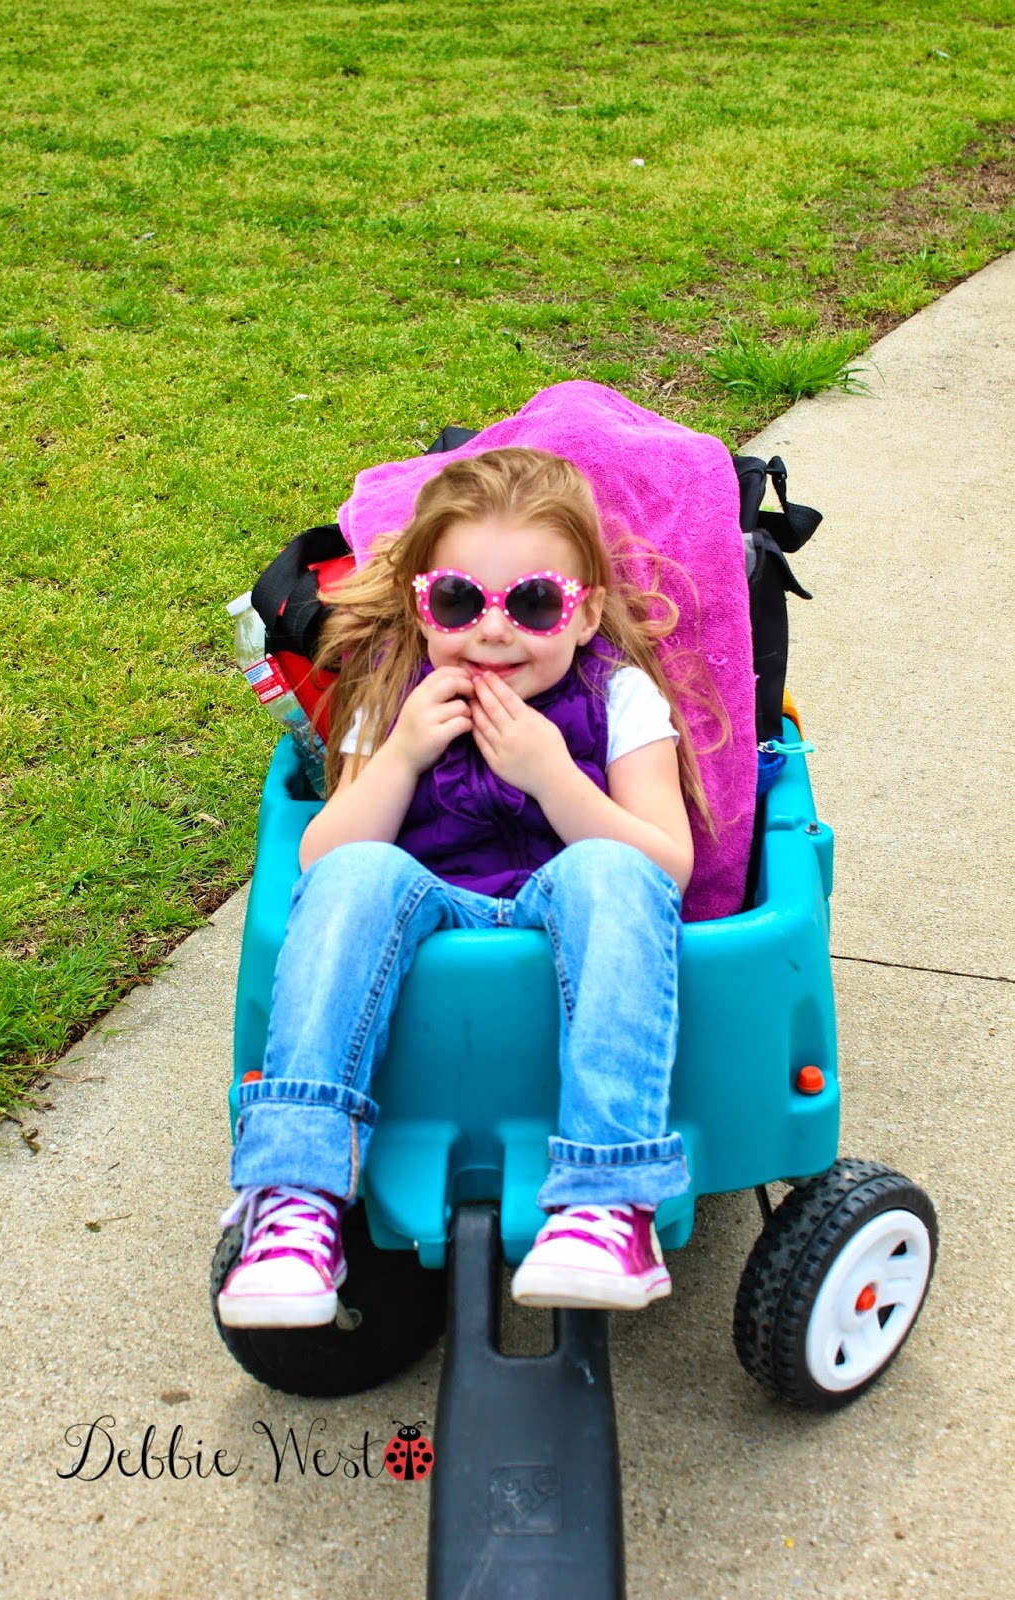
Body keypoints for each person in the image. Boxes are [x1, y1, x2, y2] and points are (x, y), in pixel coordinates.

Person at [217, 446, 719, 1330]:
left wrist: (552, 776)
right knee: (359, 869)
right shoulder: (395, 693)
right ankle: (294, 1198)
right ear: (423, 605)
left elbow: (661, 865)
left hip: (563, 903)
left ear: (584, 610)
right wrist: (403, 753)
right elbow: (324, 859)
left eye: (533, 603)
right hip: (431, 908)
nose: (491, 630)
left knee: (611, 867)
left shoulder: (620, 694)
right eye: (457, 600)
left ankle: (608, 1203)